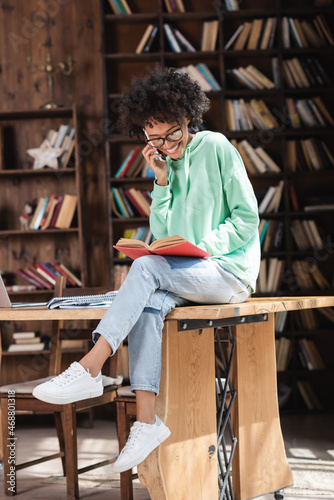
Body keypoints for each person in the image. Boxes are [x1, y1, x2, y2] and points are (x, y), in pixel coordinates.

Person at [33, 65, 260, 473]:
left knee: (148, 269)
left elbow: (246, 220)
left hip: (227, 272)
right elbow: (164, 233)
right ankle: (147, 420)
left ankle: (90, 366)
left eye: (172, 134)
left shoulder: (217, 147)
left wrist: (204, 250)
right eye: (153, 137)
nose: (166, 145)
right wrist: (160, 182)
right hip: (186, 271)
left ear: (188, 119)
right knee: (150, 302)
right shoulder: (164, 163)